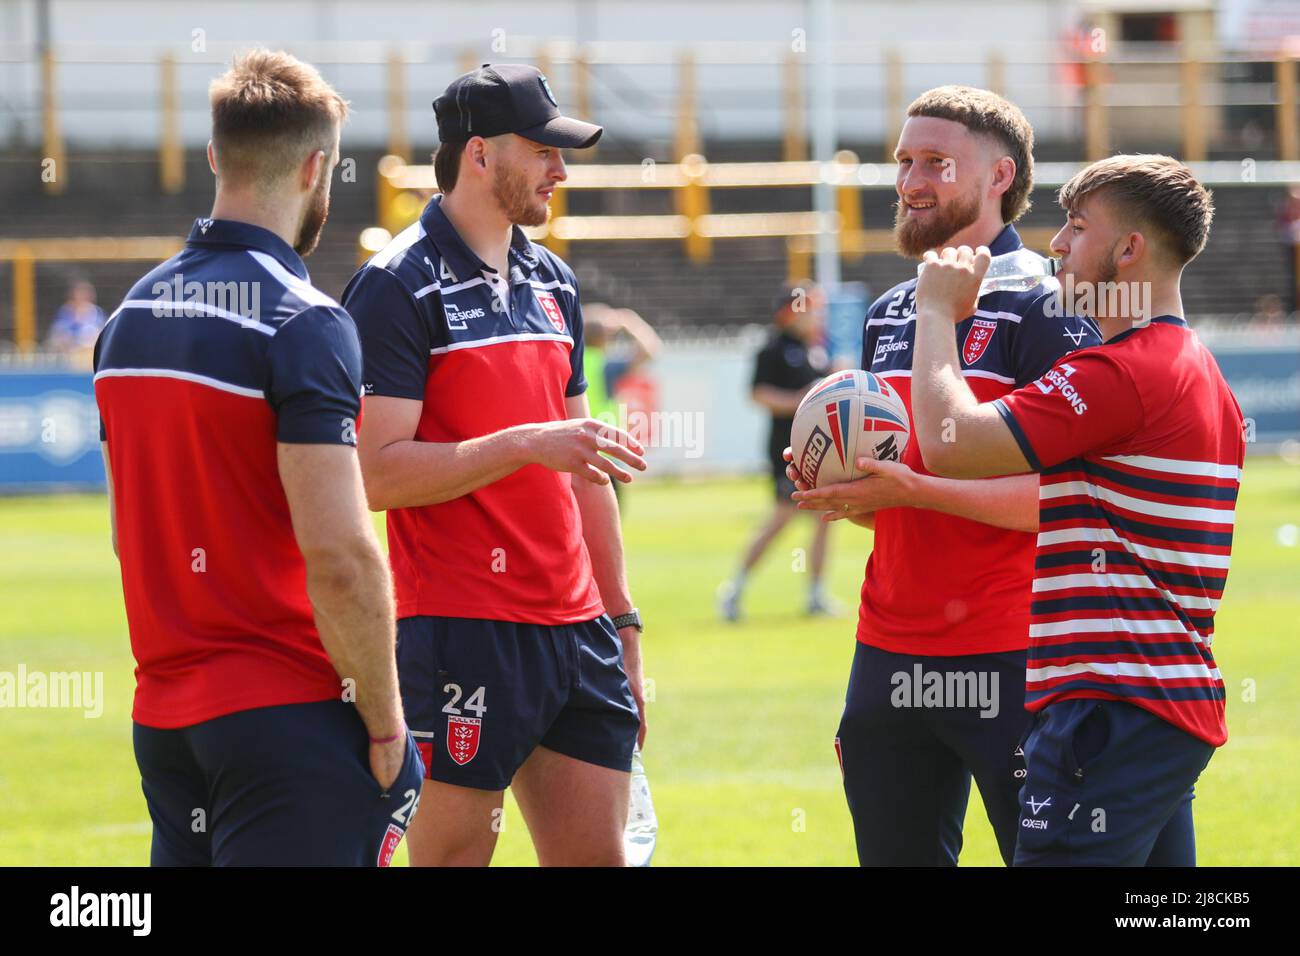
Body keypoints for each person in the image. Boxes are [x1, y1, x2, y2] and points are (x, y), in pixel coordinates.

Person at [93, 49, 422, 866]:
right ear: (318, 167)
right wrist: (386, 725)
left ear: (214, 156)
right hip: (289, 724)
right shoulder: (303, 321)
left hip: (166, 727)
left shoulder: (127, 319)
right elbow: (341, 554)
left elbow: (124, 534)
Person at [342, 63, 648, 867]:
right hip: (461, 632)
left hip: (578, 634)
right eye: (543, 150)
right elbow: (374, 474)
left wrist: (622, 623)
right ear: (478, 155)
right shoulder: (394, 286)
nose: (560, 169)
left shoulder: (555, 280)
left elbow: (586, 470)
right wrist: (522, 444)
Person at [788, 86, 1101, 866]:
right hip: (888, 654)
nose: (911, 181)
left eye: (936, 163)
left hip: (1015, 655)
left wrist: (917, 491)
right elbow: (899, 500)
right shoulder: (892, 310)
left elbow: (1069, 503)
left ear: (1000, 176)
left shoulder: (1048, 305)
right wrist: (847, 493)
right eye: (903, 162)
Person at [907, 154, 1239, 866]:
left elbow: (948, 441)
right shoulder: (1201, 371)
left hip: (1108, 707)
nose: (1055, 243)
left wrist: (934, 311)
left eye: (1077, 226)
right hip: (1159, 703)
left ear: (1129, 250)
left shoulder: (1123, 371)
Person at [718, 282, 839, 619]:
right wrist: (800, 400)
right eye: (810, 307)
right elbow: (758, 394)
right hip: (787, 450)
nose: (817, 314)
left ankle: (816, 595)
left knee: (825, 519)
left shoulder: (817, 349)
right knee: (781, 520)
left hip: (822, 450)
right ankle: (733, 590)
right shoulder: (772, 348)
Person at [47, 280, 106, 358]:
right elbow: (56, 336)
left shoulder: (98, 314)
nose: (81, 297)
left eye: (85, 294)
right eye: (79, 294)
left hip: (91, 357)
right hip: (68, 357)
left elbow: (104, 337)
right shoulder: (64, 313)